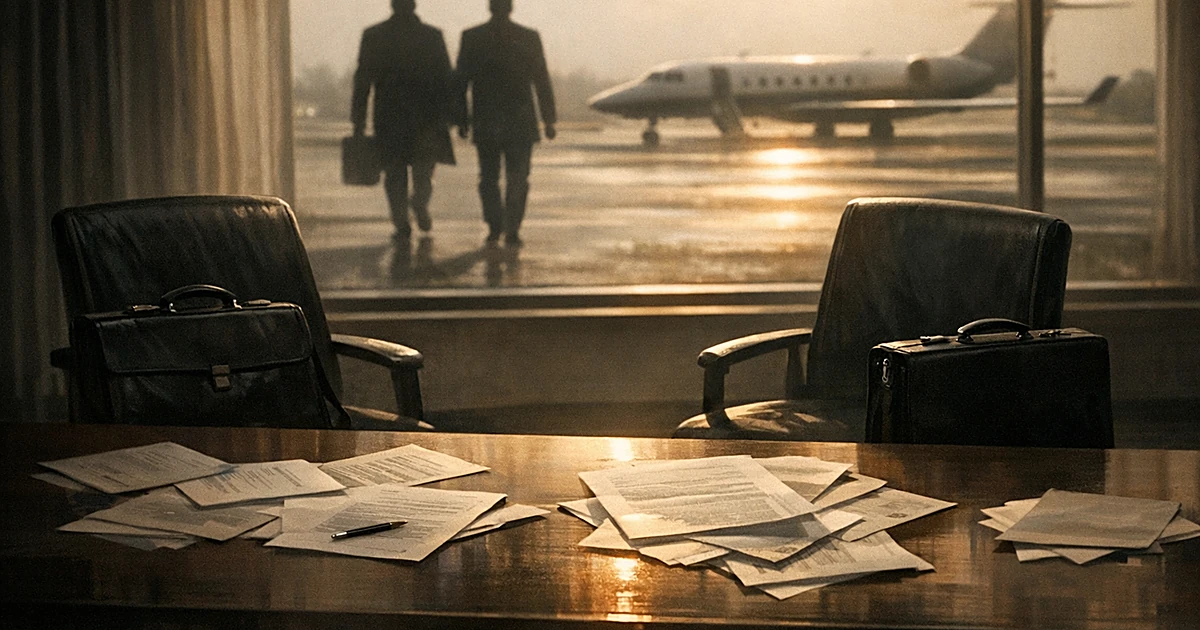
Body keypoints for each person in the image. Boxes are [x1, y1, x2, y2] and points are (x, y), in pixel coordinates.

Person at [351, 0, 456, 241]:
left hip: (390, 117)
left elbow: (362, 82)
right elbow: (446, 80)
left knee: (395, 173)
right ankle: (419, 202)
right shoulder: (431, 36)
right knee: (424, 172)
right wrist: (451, 115)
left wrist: (358, 121)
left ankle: (401, 223)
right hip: (426, 118)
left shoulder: (374, 36)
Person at [456, 0, 557, 247]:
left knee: (489, 178)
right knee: (517, 177)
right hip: (520, 120)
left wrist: (461, 119)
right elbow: (541, 81)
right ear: (511, 8)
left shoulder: (472, 38)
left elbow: (460, 83)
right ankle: (512, 228)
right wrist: (548, 119)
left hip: (486, 119)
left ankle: (495, 225)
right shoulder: (528, 38)